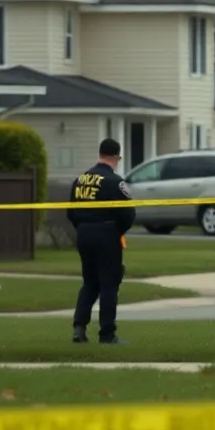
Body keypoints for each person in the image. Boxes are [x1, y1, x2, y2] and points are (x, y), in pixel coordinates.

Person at [66, 138, 136, 345]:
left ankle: (79, 327)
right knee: (109, 284)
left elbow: (71, 212)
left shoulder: (80, 180)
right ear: (116, 157)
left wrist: (83, 228)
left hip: (84, 234)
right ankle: (107, 333)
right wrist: (117, 231)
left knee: (89, 282)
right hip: (106, 234)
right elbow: (128, 215)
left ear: (100, 154)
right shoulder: (115, 182)